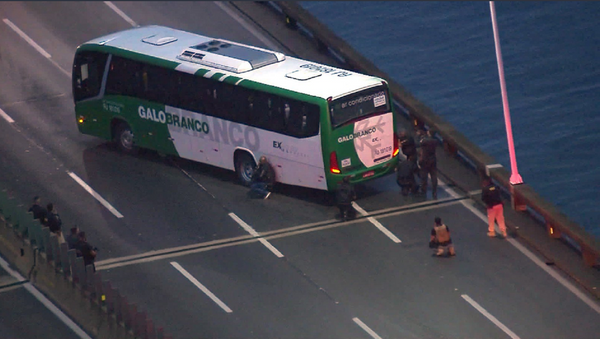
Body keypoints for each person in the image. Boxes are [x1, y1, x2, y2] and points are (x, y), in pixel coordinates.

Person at [417, 129, 438, 199]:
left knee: (424, 175)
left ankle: (423, 190)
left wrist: (422, 135)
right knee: (433, 175)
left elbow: (419, 143)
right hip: (433, 160)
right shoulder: (435, 141)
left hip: (425, 160)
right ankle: (434, 190)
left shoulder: (425, 141)